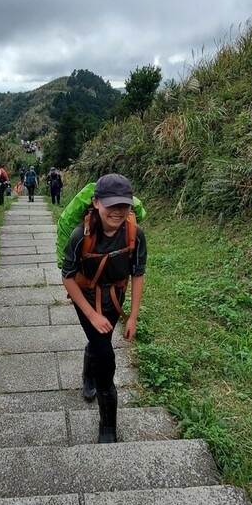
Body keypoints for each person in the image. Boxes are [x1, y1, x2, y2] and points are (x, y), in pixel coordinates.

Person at [61, 173, 146, 444]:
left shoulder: (135, 234)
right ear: (96, 203)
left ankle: (88, 372)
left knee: (101, 341)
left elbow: (138, 274)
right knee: (105, 355)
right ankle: (108, 425)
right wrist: (92, 314)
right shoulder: (80, 236)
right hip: (86, 298)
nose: (118, 211)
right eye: (111, 204)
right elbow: (68, 277)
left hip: (116, 298)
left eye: (124, 204)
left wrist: (132, 316)